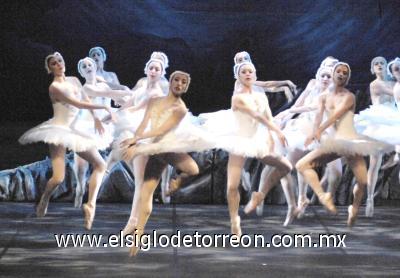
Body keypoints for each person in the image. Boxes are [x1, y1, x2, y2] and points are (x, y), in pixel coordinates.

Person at [120, 71, 214, 256]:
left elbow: (162, 129)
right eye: (176, 80)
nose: (179, 84)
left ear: (186, 87)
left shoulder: (180, 108)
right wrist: (135, 139)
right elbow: (144, 123)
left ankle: (177, 182)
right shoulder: (154, 101)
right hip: (155, 148)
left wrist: (138, 141)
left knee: (193, 169)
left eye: (183, 82)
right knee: (146, 192)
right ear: (170, 82)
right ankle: (138, 235)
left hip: (168, 147)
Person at [18, 52, 114, 230]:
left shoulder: (74, 80)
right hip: (59, 131)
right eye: (54, 63)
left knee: (100, 165)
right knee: (58, 177)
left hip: (75, 130)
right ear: (50, 68)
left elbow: (85, 98)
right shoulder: (54, 87)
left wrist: (96, 118)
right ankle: (45, 198)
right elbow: (78, 104)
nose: (59, 65)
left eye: (60, 61)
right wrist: (103, 106)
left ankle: (90, 205)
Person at [295, 62, 393, 226]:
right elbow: (319, 116)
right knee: (301, 165)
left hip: (350, 143)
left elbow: (336, 116)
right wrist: (313, 132)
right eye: (338, 72)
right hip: (335, 143)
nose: (341, 75)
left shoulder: (349, 96)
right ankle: (318, 195)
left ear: (347, 78)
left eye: (344, 73)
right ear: (333, 74)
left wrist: (319, 130)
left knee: (362, 182)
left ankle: (354, 208)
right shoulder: (322, 97)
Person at [73, 57, 131, 208]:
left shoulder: (103, 85)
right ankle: (80, 190)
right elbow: (111, 94)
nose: (87, 67)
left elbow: (120, 100)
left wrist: (125, 103)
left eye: (89, 64)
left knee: (121, 146)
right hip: (87, 129)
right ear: (81, 72)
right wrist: (127, 92)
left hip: (104, 128)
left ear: (95, 67)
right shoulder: (86, 88)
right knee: (81, 169)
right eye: (84, 66)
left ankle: (100, 178)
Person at [354, 56, 397, 217]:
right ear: (372, 69)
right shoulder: (375, 84)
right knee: (374, 162)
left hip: (394, 119)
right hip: (379, 121)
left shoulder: (394, 81)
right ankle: (370, 199)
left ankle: (395, 157)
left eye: (382, 63)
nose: (379, 65)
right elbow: (394, 92)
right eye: (376, 64)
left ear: (387, 66)